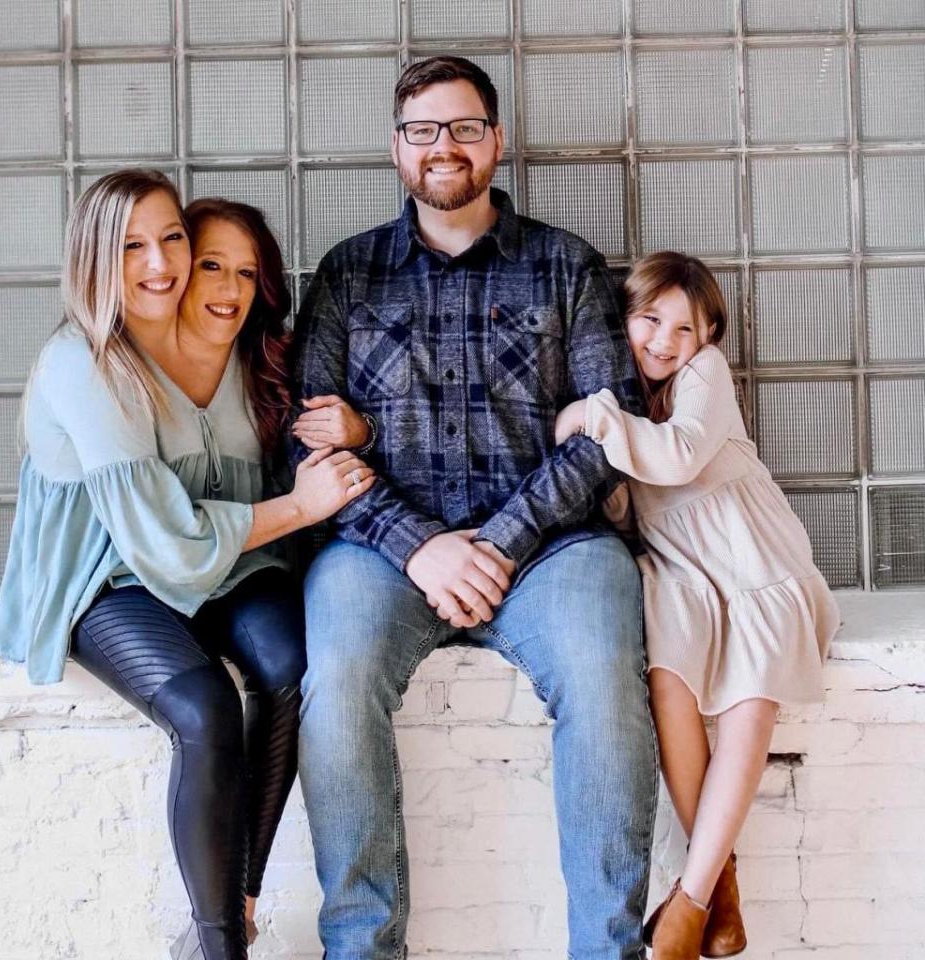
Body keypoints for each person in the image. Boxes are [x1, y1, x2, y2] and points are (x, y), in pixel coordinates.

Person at [293, 56, 657, 959]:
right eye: (423, 130)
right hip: (383, 552)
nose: (443, 147)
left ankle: (607, 950)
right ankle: (361, 948)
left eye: (463, 127)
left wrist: (496, 542)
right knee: (334, 688)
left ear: (495, 140)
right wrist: (420, 547)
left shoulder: (564, 265)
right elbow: (311, 441)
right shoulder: (347, 275)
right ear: (397, 149)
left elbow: (609, 429)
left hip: (550, 549)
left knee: (610, 688)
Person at [0, 171, 375, 960]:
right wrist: (302, 507)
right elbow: (163, 545)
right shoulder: (87, 361)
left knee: (289, 667)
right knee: (203, 710)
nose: (162, 263)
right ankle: (220, 948)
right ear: (94, 259)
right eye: (135, 246)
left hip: (228, 564)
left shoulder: (237, 349)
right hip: (109, 575)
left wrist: (360, 432)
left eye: (173, 240)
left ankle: (241, 895)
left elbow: (328, 443)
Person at [555, 251, 839, 960]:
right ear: (623, 319)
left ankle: (689, 900)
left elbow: (679, 456)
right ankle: (724, 885)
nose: (664, 340)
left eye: (687, 328)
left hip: (750, 557)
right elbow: (624, 505)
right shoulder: (620, 396)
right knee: (667, 684)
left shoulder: (701, 375)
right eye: (650, 320)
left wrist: (586, 419)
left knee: (750, 696)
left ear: (707, 338)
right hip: (681, 573)